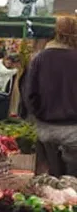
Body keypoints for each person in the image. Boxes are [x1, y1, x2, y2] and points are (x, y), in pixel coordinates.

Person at [23, 16, 77, 177]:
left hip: (46, 129)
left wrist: (39, 115)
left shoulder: (40, 58)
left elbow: (29, 94)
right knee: (73, 182)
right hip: (74, 129)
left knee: (52, 179)